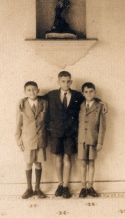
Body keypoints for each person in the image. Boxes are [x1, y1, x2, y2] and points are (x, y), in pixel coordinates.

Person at [45, 71, 84, 199]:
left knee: (67, 159)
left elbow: (90, 99)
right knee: (58, 159)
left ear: (71, 82)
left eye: (68, 81)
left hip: (70, 133)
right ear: (58, 82)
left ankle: (66, 186)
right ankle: (60, 184)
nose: (66, 84)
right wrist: (23, 99)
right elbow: (36, 98)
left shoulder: (77, 95)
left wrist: (102, 102)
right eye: (63, 81)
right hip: (56, 132)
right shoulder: (51, 95)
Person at [15, 81, 48, 199]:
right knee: (28, 163)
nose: (32, 92)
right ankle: (29, 188)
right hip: (28, 140)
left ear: (38, 91)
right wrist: (19, 141)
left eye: (34, 89)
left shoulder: (44, 103)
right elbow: (18, 125)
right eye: (29, 90)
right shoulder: (22, 105)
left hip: (40, 140)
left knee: (38, 164)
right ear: (25, 92)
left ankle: (37, 188)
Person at [78, 82, 107, 198]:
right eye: (86, 92)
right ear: (83, 93)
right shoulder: (79, 106)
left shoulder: (100, 107)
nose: (89, 94)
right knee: (83, 164)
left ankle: (90, 186)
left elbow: (102, 126)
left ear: (95, 93)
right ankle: (83, 187)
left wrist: (100, 142)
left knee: (91, 163)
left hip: (93, 140)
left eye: (91, 91)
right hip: (81, 140)